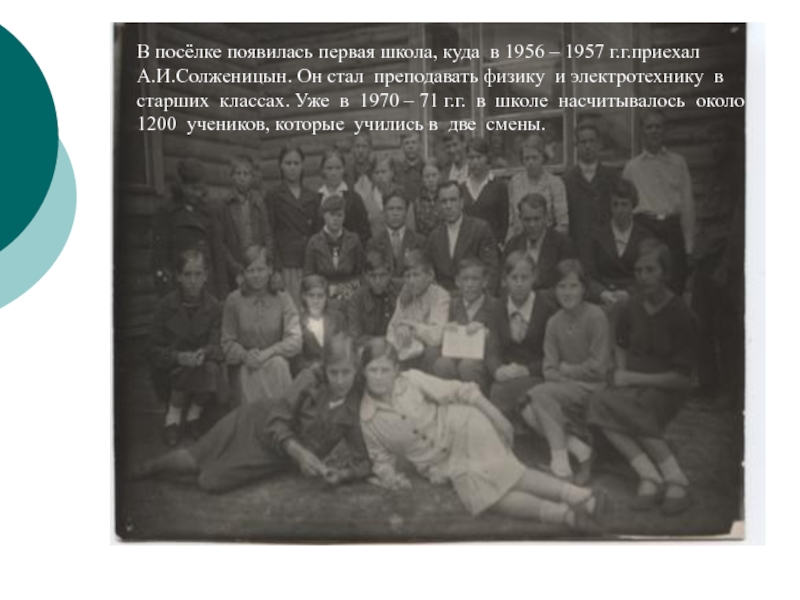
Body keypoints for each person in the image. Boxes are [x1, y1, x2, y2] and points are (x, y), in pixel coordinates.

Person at [358, 339, 611, 531]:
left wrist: (498, 417)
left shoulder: (411, 380)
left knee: (505, 473)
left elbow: (460, 390)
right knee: (485, 497)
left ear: (396, 369)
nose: (379, 377)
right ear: (364, 372)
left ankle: (576, 500)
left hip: (463, 426)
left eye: (385, 370)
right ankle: (570, 511)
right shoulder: (368, 417)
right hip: (442, 464)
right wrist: (391, 477)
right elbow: (381, 459)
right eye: (373, 370)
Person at [131, 334, 372, 493]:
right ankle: (149, 467)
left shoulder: (354, 405)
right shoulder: (309, 380)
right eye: (333, 372)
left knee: (210, 482)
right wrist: (300, 454)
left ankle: (195, 468)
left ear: (356, 370)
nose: (340, 380)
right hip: (257, 424)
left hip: (276, 456)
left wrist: (343, 475)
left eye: (346, 373)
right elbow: (276, 421)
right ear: (325, 369)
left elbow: (364, 460)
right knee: (195, 459)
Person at [587, 239, 696, 515]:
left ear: (665, 273)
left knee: (630, 407)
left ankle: (677, 479)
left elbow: (684, 380)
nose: (643, 277)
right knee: (598, 402)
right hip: (632, 383)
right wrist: (621, 370)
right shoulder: (632, 305)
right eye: (638, 271)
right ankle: (649, 474)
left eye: (650, 270)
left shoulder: (680, 313)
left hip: (663, 389)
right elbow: (622, 343)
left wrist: (631, 378)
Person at [522, 260, 611, 484]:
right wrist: (567, 376)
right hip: (565, 388)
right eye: (561, 286)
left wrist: (568, 369)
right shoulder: (554, 322)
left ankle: (560, 468)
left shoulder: (596, 316)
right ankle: (582, 451)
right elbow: (549, 370)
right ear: (554, 290)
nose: (567, 292)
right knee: (527, 410)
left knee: (539, 394)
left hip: (594, 388)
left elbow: (599, 367)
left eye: (573, 286)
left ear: (584, 289)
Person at [691, 121, 744, 407]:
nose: (714, 146)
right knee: (700, 322)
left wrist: (727, 264)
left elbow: (738, 225)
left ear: (731, 142)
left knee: (726, 326)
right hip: (705, 256)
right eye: (710, 140)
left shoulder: (739, 173)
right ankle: (708, 385)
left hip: (724, 257)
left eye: (719, 140)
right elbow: (705, 219)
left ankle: (730, 389)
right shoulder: (712, 173)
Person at [150, 249, 223, 447]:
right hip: (171, 372)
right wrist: (178, 357)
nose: (193, 281)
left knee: (212, 368)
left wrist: (204, 352)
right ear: (178, 277)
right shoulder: (165, 306)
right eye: (187, 274)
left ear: (206, 276)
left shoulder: (214, 307)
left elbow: (217, 345)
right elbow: (153, 350)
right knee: (183, 369)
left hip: (201, 371)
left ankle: (193, 415)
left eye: (198, 274)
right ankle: (173, 417)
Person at [622, 109, 695, 295]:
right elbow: (625, 205)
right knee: (647, 280)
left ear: (664, 130)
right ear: (642, 131)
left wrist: (689, 245)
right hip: (645, 227)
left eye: (658, 126)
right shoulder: (632, 167)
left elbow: (687, 205)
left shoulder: (678, 163)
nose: (654, 131)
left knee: (675, 281)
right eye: (649, 127)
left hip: (671, 227)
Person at [221, 245, 301, 405]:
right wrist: (245, 355)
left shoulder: (283, 299)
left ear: (270, 269)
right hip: (245, 366)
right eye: (250, 271)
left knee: (278, 365)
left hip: (275, 363)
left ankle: (280, 416)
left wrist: (269, 353)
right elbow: (227, 342)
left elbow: (295, 340)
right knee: (247, 373)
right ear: (243, 273)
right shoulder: (234, 300)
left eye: (260, 269)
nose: (256, 275)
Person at [486, 251, 559, 417]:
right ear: (505, 280)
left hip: (535, 374)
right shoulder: (497, 308)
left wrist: (526, 370)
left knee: (501, 392)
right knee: (497, 387)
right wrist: (497, 370)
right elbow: (491, 350)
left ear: (534, 278)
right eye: (514, 278)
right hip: (506, 372)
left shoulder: (547, 309)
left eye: (524, 277)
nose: (519, 283)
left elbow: (552, 356)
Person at [152, 158, 226, 298]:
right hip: (180, 288)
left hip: (208, 289)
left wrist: (222, 295)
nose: (198, 193)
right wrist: (168, 294)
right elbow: (159, 259)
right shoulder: (167, 212)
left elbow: (218, 257)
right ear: (181, 185)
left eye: (201, 189)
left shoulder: (210, 211)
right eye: (193, 189)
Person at [585, 179, 653, 321]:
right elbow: (588, 276)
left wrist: (628, 293)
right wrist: (602, 293)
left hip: (634, 299)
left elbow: (649, 275)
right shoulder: (596, 236)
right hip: (604, 300)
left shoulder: (645, 237)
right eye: (615, 204)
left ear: (633, 205)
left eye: (624, 204)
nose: (619, 210)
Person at [432, 257, 499, 394]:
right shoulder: (453, 304)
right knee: (442, 364)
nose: (469, 284)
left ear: (485, 282)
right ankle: (448, 401)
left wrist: (486, 333)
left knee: (467, 366)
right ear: (458, 281)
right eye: (465, 279)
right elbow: (444, 340)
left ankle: (476, 402)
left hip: (483, 361)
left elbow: (500, 343)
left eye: (475, 279)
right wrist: (448, 331)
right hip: (456, 357)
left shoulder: (495, 306)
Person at [265, 145, 321, 306]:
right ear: (280, 166)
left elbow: (317, 234)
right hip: (286, 264)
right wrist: (275, 269)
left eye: (296, 163)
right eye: (288, 163)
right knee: (289, 307)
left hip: (308, 262)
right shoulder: (273, 196)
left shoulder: (312, 196)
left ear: (302, 165)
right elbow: (270, 233)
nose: (292, 168)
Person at [424, 180, 500, 293]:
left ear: (461, 202)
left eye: (453, 200)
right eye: (444, 201)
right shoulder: (433, 237)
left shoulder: (480, 229)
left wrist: (481, 300)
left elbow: (491, 271)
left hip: (474, 296)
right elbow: (428, 274)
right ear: (438, 205)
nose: (448, 206)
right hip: (443, 299)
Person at [563, 123, 619, 266]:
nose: (588, 146)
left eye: (592, 141)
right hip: (580, 248)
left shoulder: (612, 177)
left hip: (608, 246)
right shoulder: (567, 180)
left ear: (599, 144)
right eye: (583, 142)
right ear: (576, 146)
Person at [386, 249, 450, 372]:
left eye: (416, 275)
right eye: (407, 276)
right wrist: (400, 329)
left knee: (431, 352)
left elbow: (436, 337)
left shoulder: (440, 296)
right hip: (408, 351)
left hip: (429, 354)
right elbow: (391, 330)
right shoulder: (405, 295)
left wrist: (410, 326)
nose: (411, 281)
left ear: (430, 275)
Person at [219, 155, 274, 294]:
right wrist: (236, 269)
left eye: (246, 174)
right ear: (231, 176)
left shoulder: (259, 202)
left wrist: (264, 254)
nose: (242, 178)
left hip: (259, 262)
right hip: (237, 265)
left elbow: (267, 233)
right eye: (238, 173)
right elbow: (222, 243)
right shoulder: (224, 205)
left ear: (252, 177)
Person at [504, 193, 575, 290]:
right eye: (527, 220)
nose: (532, 225)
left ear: (546, 217)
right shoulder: (512, 245)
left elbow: (568, 283)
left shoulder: (562, 244)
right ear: (520, 218)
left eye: (536, 219)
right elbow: (505, 283)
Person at [304, 195, 364, 307]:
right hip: (322, 298)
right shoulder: (314, 242)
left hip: (349, 297)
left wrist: (345, 289)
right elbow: (309, 276)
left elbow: (361, 273)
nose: (335, 219)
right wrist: (327, 290)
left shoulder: (354, 240)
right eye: (331, 215)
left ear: (344, 217)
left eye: (339, 215)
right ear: (324, 215)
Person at [507, 134, 569, 241]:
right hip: (520, 242)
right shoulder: (515, 182)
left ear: (542, 158)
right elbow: (512, 224)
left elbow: (563, 225)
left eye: (534, 157)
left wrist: (542, 243)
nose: (530, 162)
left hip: (548, 242)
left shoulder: (555, 183)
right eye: (526, 158)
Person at [347, 244, 400, 346]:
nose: (378, 281)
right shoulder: (357, 298)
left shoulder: (400, 291)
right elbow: (355, 336)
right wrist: (384, 342)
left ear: (390, 274)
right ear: (365, 275)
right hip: (369, 349)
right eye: (372, 276)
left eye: (382, 275)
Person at [370, 189, 425, 284]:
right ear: (384, 212)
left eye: (399, 209)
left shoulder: (419, 241)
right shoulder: (374, 243)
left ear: (406, 212)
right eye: (391, 209)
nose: (395, 213)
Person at [293, 274, 346, 375]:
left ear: (326, 297)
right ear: (304, 297)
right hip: (310, 374)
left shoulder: (337, 318)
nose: (316, 301)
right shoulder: (297, 323)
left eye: (320, 296)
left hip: (336, 372)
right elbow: (296, 359)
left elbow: (345, 348)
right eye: (311, 296)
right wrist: (313, 367)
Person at [460, 137, 509, 245]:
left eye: (479, 157)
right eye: (471, 158)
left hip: (491, 246)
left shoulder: (499, 186)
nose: (475, 162)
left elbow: (504, 221)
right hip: (467, 247)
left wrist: (500, 243)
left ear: (487, 158)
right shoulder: (462, 188)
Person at [318, 148, 371, 244]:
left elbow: (364, 232)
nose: (334, 173)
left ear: (343, 170)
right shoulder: (317, 199)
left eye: (338, 168)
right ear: (323, 170)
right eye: (329, 168)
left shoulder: (354, 199)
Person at [408, 158, 442, 237]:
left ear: (440, 175)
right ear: (422, 179)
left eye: (434, 175)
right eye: (427, 176)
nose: (431, 180)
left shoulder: (446, 198)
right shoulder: (417, 202)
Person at [392, 132, 424, 205]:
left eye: (413, 142)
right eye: (407, 143)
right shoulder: (397, 170)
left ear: (419, 145)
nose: (410, 146)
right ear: (402, 147)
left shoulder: (425, 167)